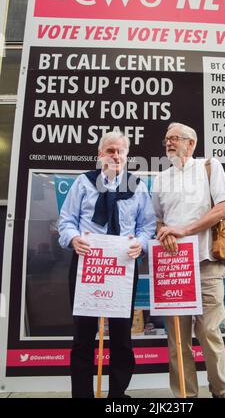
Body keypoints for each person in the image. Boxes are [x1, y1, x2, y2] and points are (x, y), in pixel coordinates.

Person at [58, 131, 156, 398]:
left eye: (120, 151)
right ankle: (82, 395)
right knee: (83, 335)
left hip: (123, 266)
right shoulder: (82, 183)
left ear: (127, 156)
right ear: (100, 154)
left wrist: (142, 243)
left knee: (122, 335)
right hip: (86, 264)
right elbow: (66, 220)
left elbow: (148, 227)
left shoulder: (138, 186)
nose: (115, 155)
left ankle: (117, 395)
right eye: (109, 150)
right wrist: (73, 238)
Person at [152, 122, 225, 399]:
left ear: (191, 144)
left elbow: (223, 208)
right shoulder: (160, 178)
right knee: (178, 342)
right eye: (166, 139)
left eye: (175, 138)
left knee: (210, 334)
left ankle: (221, 392)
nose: (168, 143)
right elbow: (159, 220)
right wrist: (164, 233)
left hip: (207, 265)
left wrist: (185, 231)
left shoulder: (209, 166)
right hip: (174, 269)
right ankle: (185, 397)